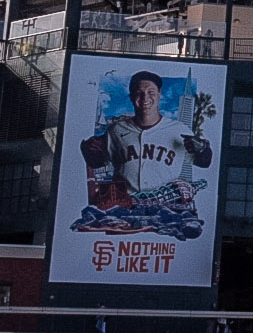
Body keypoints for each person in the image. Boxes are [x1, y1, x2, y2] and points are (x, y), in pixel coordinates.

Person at [77, 69, 211, 229]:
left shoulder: (178, 129)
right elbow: (98, 163)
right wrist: (86, 150)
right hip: (125, 206)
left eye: (151, 92)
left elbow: (204, 162)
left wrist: (202, 148)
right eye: (139, 93)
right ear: (131, 97)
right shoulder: (115, 129)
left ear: (160, 94)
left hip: (166, 205)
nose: (145, 97)